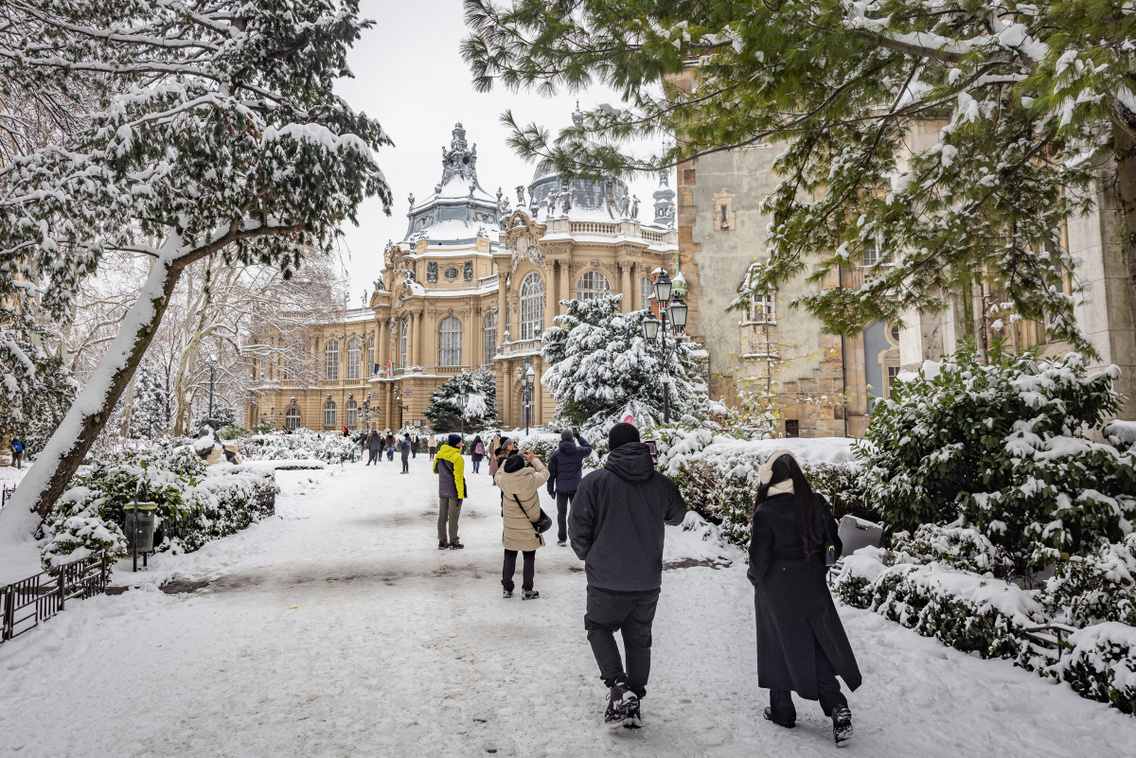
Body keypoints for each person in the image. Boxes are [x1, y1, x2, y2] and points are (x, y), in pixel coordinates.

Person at [569, 422, 686, 729]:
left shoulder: (595, 482)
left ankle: (619, 686)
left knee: (598, 627)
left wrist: (589, 555)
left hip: (605, 578)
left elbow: (578, 526)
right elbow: (677, 515)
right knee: (639, 639)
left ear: (611, 448)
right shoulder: (660, 482)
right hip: (646, 578)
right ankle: (634, 699)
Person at [747, 450, 860, 745]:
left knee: (777, 645)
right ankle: (837, 706)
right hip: (812, 585)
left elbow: (758, 560)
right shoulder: (815, 503)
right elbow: (834, 545)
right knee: (816, 647)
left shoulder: (766, 511)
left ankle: (782, 710)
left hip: (777, 589)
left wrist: (755, 579)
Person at [494, 450, 549, 599]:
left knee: (510, 555)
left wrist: (506, 461)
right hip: (529, 525)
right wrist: (533, 460)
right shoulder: (532, 479)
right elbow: (545, 473)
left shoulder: (503, 481)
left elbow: (498, 473)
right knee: (529, 556)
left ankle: (507, 587)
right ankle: (527, 589)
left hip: (511, 526)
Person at [547, 429, 593, 547]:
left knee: (561, 514)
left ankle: (562, 539)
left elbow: (551, 473)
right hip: (575, 488)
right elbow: (588, 448)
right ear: (572, 438)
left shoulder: (556, 454)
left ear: (562, 439)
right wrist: (579, 437)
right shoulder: (579, 451)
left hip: (561, 489)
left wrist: (550, 489)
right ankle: (576, 537)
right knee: (576, 513)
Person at [432, 433, 466, 549]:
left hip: (443, 489)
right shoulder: (457, 457)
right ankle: (454, 541)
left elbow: (435, 470)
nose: (462, 443)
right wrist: (460, 495)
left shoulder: (440, 453)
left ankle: (442, 541)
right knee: (453, 517)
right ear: (456, 444)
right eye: (460, 441)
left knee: (442, 516)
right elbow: (458, 478)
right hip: (453, 491)